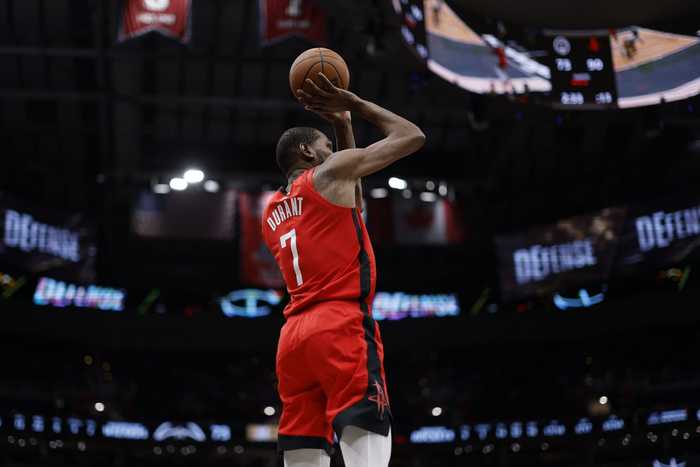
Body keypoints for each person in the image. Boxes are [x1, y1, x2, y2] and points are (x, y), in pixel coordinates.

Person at [262, 73, 425, 467]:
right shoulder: (329, 173)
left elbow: (351, 202)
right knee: (367, 444)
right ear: (307, 151)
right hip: (339, 324)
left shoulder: (270, 212)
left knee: (304, 447)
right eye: (327, 146)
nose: (332, 151)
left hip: (293, 339)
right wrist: (355, 104)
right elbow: (412, 136)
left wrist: (342, 125)